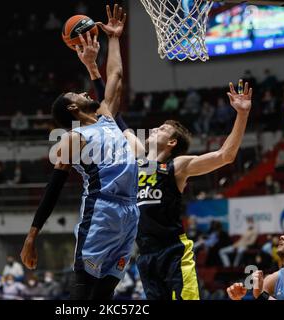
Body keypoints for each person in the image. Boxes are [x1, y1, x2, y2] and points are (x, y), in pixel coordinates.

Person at [79, 24, 253, 299]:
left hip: (173, 252)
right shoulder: (136, 157)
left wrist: (241, 115)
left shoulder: (178, 166)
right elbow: (108, 110)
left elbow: (225, 156)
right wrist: (94, 66)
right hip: (145, 256)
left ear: (172, 143)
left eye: (162, 129)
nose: (154, 129)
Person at [20, 5, 138, 300]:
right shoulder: (74, 138)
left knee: (105, 293)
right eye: (77, 94)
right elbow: (54, 187)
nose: (86, 93)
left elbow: (117, 76)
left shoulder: (107, 116)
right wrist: (32, 236)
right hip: (102, 210)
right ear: (72, 108)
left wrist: (113, 39)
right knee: (83, 291)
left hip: (130, 213)